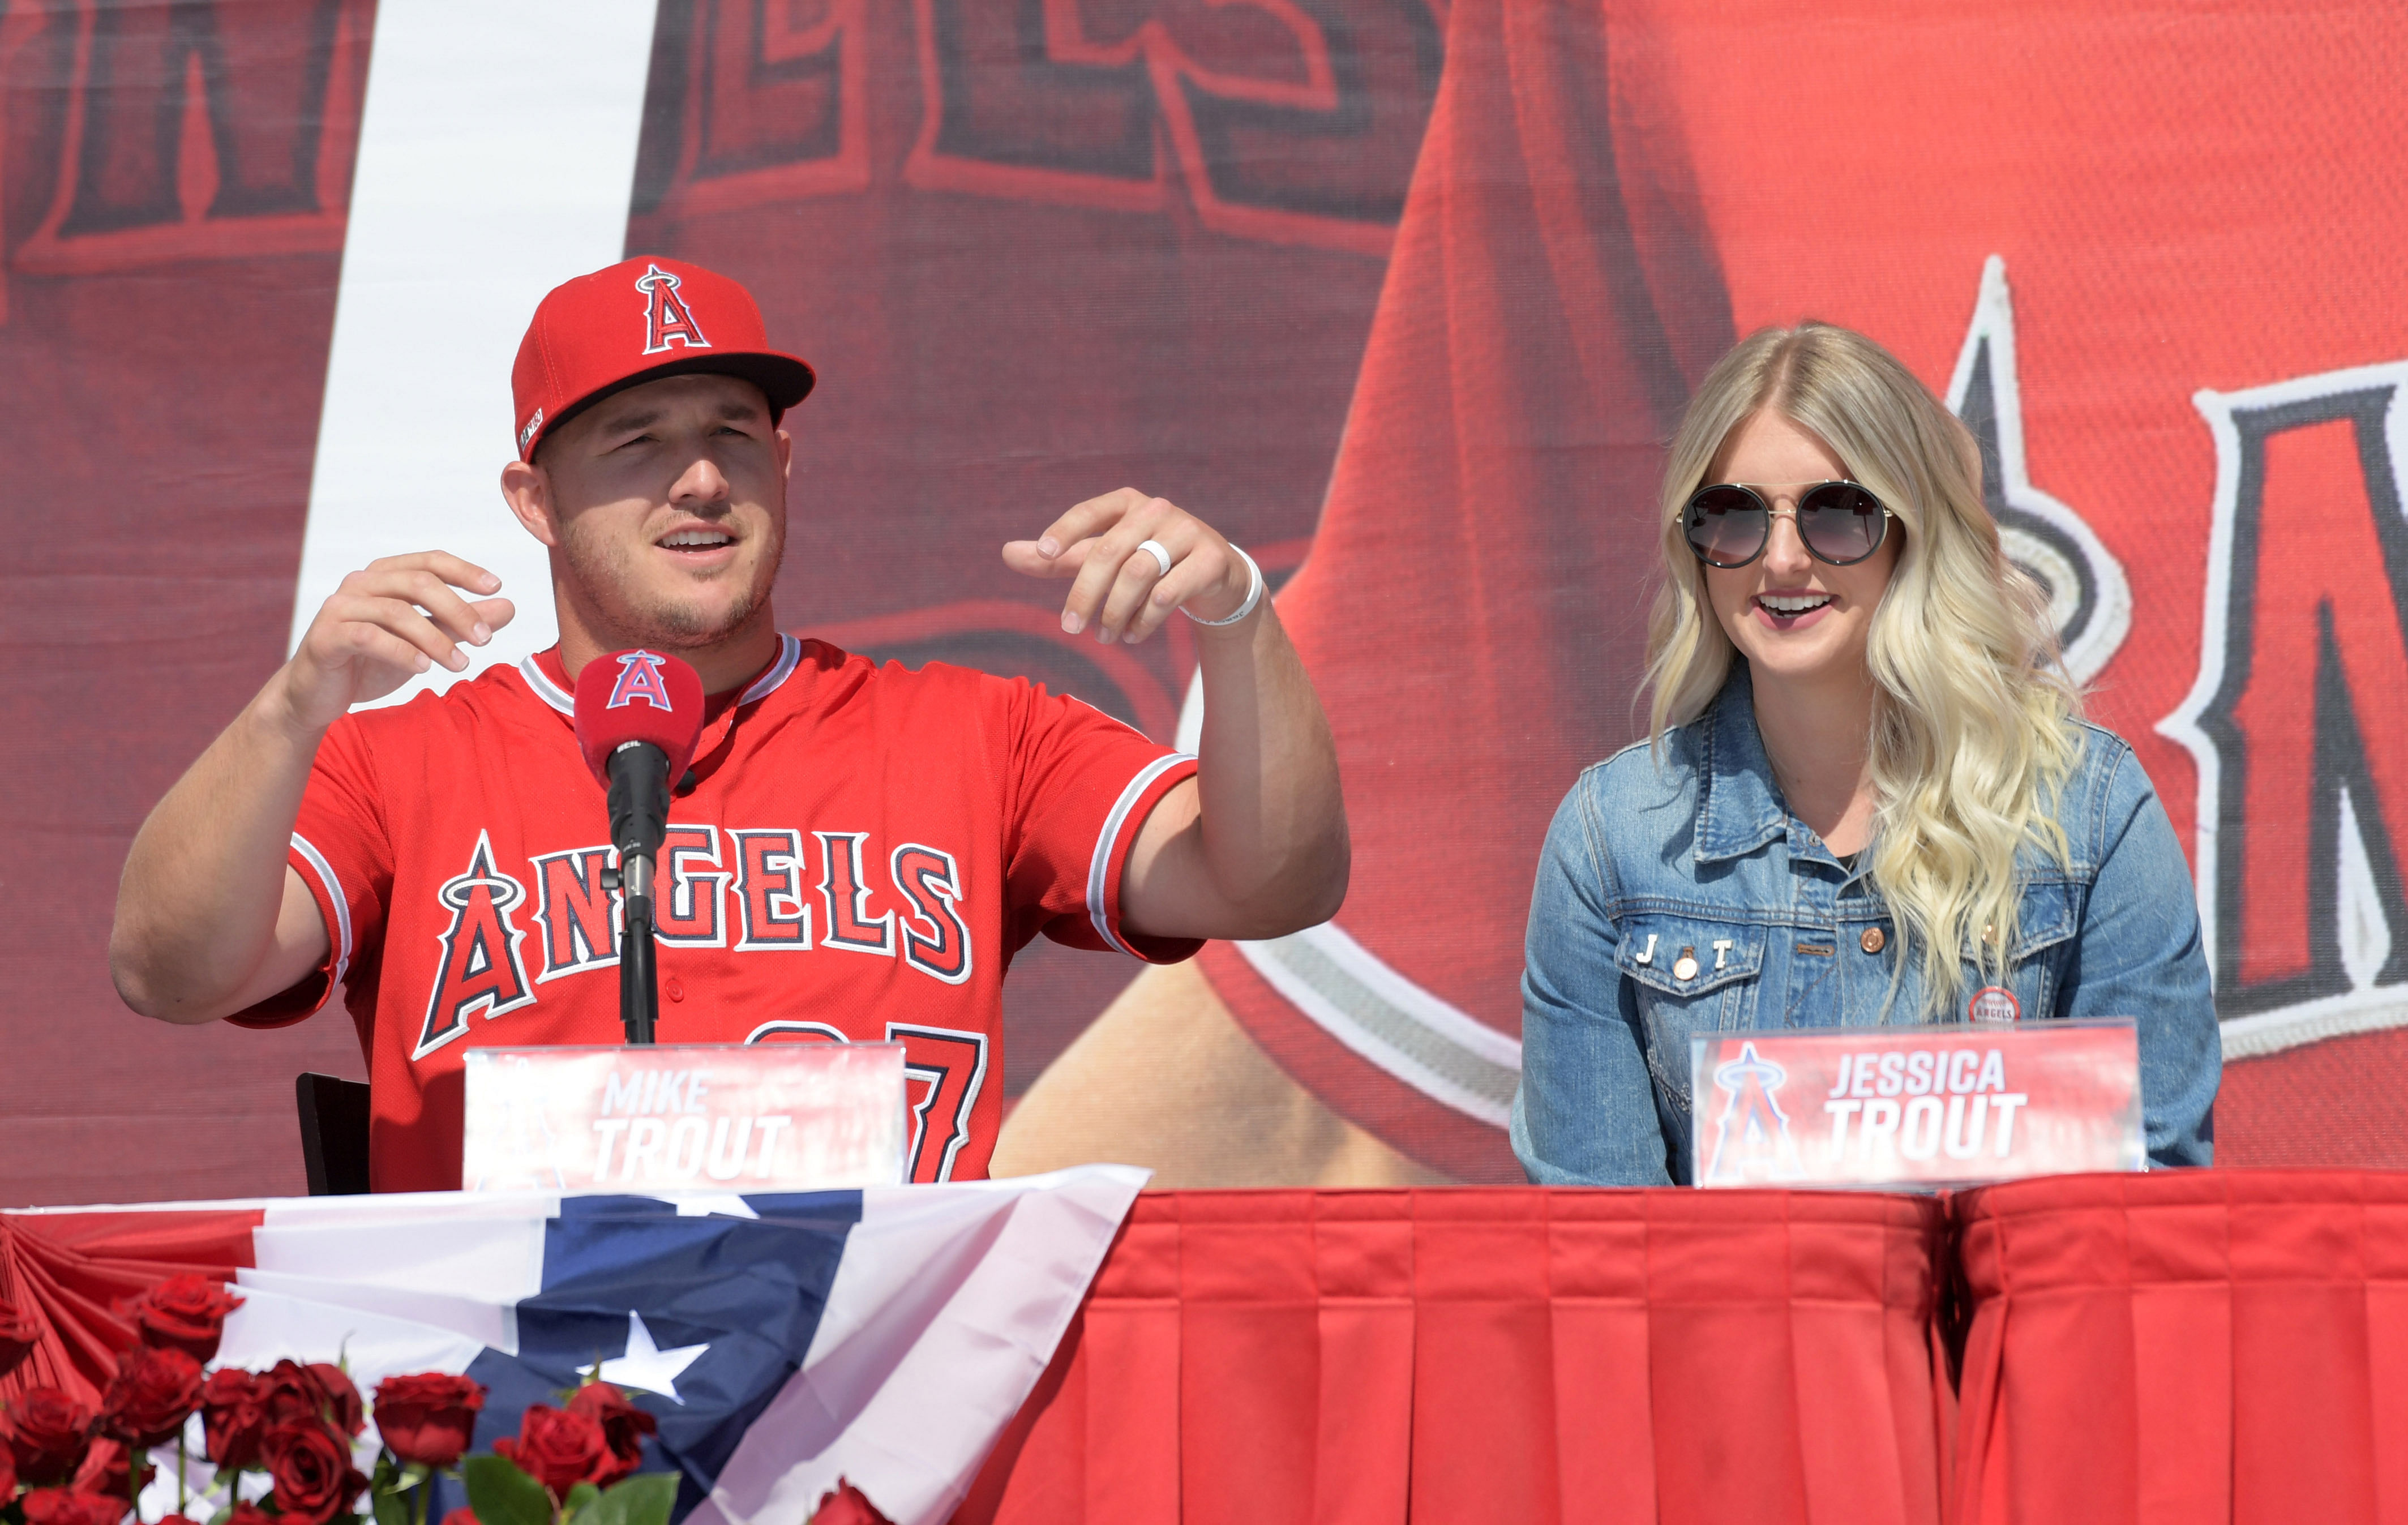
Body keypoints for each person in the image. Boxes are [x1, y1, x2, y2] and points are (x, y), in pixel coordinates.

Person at [108, 256, 1348, 1192]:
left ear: (784, 465)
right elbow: (171, 971)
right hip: (514, 1431)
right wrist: (295, 701)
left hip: (887, 1406)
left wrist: (1239, 615)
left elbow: (1271, 883)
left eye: (730, 435)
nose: (699, 479)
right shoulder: (403, 763)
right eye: (639, 443)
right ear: (535, 501)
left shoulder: (976, 735)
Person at [1512, 321, 2220, 1186]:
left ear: (1914, 533)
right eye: (1731, 516)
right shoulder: (1612, 841)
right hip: (1731, 1326)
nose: (1777, 559)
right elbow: (1606, 1250)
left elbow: (2143, 1211)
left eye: (1835, 514)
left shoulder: (2088, 811)